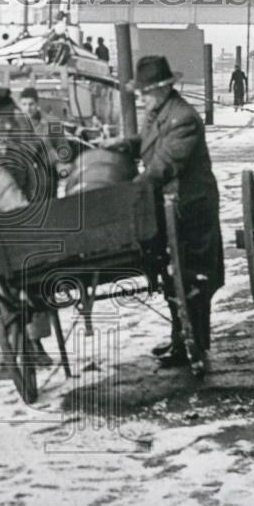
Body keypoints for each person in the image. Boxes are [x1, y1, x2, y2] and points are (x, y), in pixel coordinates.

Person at [101, 56, 225, 364]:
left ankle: (191, 346)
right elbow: (149, 143)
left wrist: (133, 189)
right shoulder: (160, 112)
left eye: (144, 92)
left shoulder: (182, 118)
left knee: (192, 280)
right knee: (172, 278)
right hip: (170, 209)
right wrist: (126, 144)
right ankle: (180, 341)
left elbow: (163, 165)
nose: (140, 98)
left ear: (160, 89)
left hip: (190, 210)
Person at [0, 88, 56, 366]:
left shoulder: (15, 124)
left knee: (41, 279)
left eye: (10, 116)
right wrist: (35, 221)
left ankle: (36, 341)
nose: (9, 124)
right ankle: (5, 354)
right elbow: (7, 193)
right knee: (2, 290)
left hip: (28, 210)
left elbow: (38, 150)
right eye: (2, 120)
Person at [17, 86, 67, 184]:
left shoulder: (53, 122)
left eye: (31, 104)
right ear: (20, 105)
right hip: (25, 177)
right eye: (24, 104)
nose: (28, 108)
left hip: (49, 175)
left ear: (37, 104)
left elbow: (63, 148)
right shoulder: (15, 124)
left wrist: (58, 161)